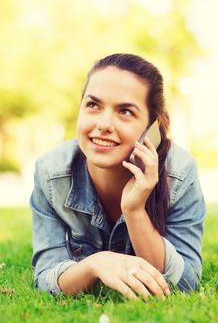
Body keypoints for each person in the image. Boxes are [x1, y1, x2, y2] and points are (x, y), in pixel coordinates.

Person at [30, 53, 206, 300]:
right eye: (93, 105)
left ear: (154, 127)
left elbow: (186, 283)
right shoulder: (51, 173)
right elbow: (46, 278)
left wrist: (134, 211)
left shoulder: (178, 173)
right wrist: (97, 264)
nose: (103, 124)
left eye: (125, 111)